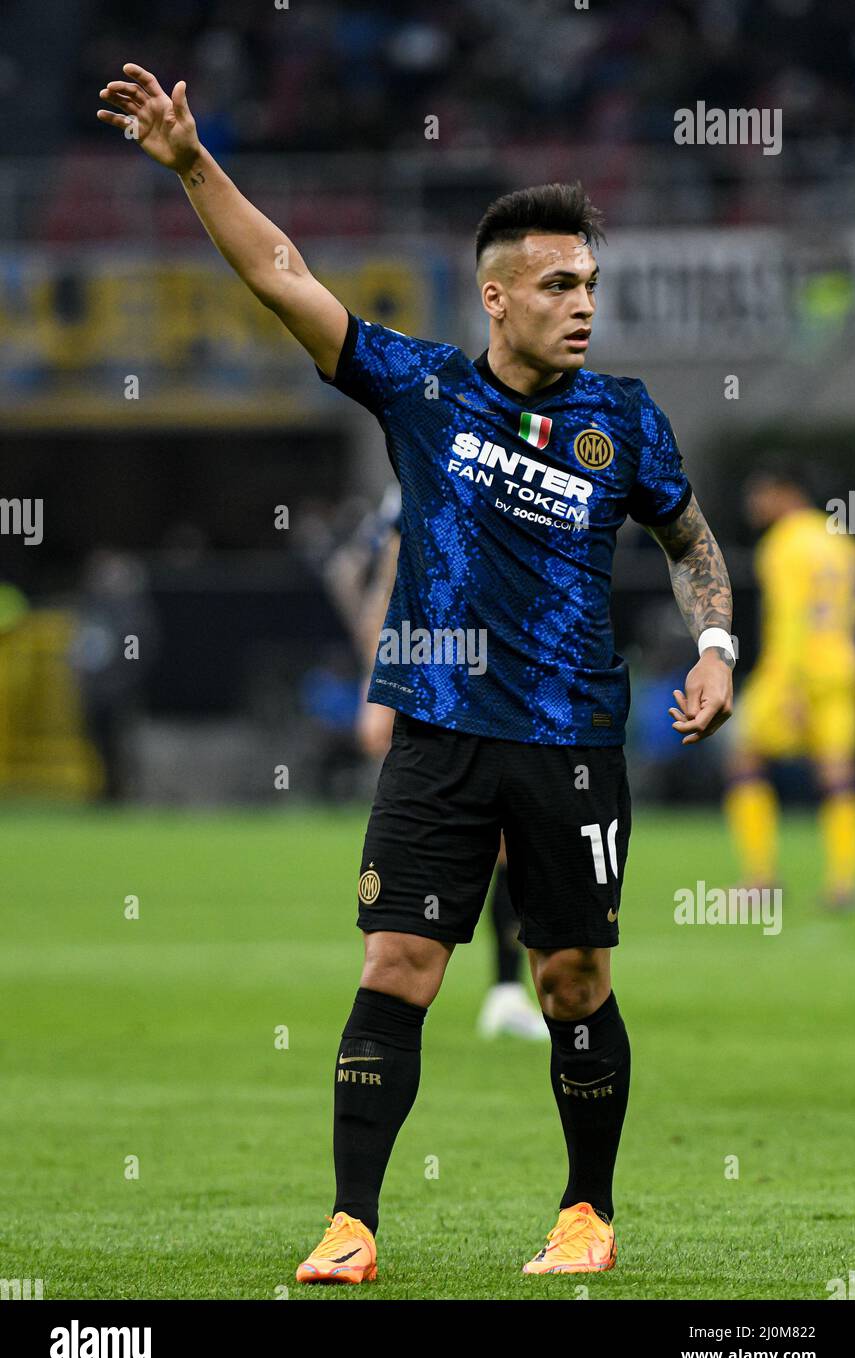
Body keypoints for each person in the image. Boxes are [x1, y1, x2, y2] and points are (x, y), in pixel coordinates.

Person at [97, 67, 734, 1281]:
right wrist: (190, 163)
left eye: (589, 283)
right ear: (496, 298)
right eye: (556, 285)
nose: (580, 303)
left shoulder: (624, 418)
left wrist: (713, 648)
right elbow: (282, 271)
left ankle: (584, 1213)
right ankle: (351, 1223)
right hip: (437, 733)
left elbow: (689, 541)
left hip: (569, 741)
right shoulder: (422, 389)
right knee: (396, 965)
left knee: (569, 976)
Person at [351, 489, 548, 1041]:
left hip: (508, 679)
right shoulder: (422, 461)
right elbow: (385, 589)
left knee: (514, 839)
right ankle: (395, 983)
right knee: (433, 839)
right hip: (436, 684)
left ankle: (506, 990)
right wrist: (377, 691)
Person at [725, 473, 855, 909]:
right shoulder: (842, 541)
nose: (753, 505)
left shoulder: (784, 543)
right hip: (842, 665)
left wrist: (790, 689)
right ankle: (842, 883)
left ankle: (760, 877)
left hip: (794, 669)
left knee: (743, 755)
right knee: (838, 770)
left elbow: (789, 620)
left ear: (785, 494)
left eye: (760, 495)